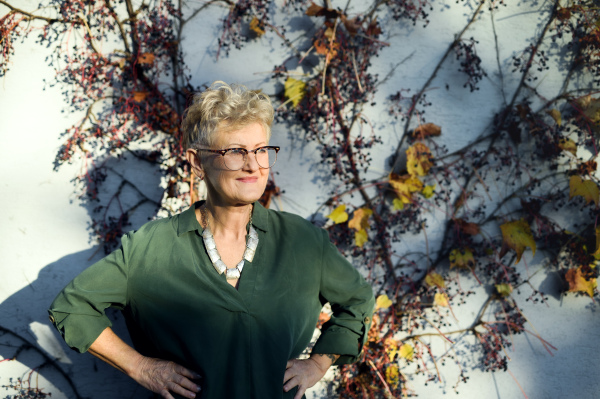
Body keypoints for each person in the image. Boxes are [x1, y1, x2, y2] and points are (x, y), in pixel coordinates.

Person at [48, 81, 375, 399]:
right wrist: (140, 367)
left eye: (261, 150)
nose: (253, 165)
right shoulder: (150, 248)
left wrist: (318, 364)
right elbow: (72, 308)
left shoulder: (303, 242)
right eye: (235, 151)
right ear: (197, 162)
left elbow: (357, 301)